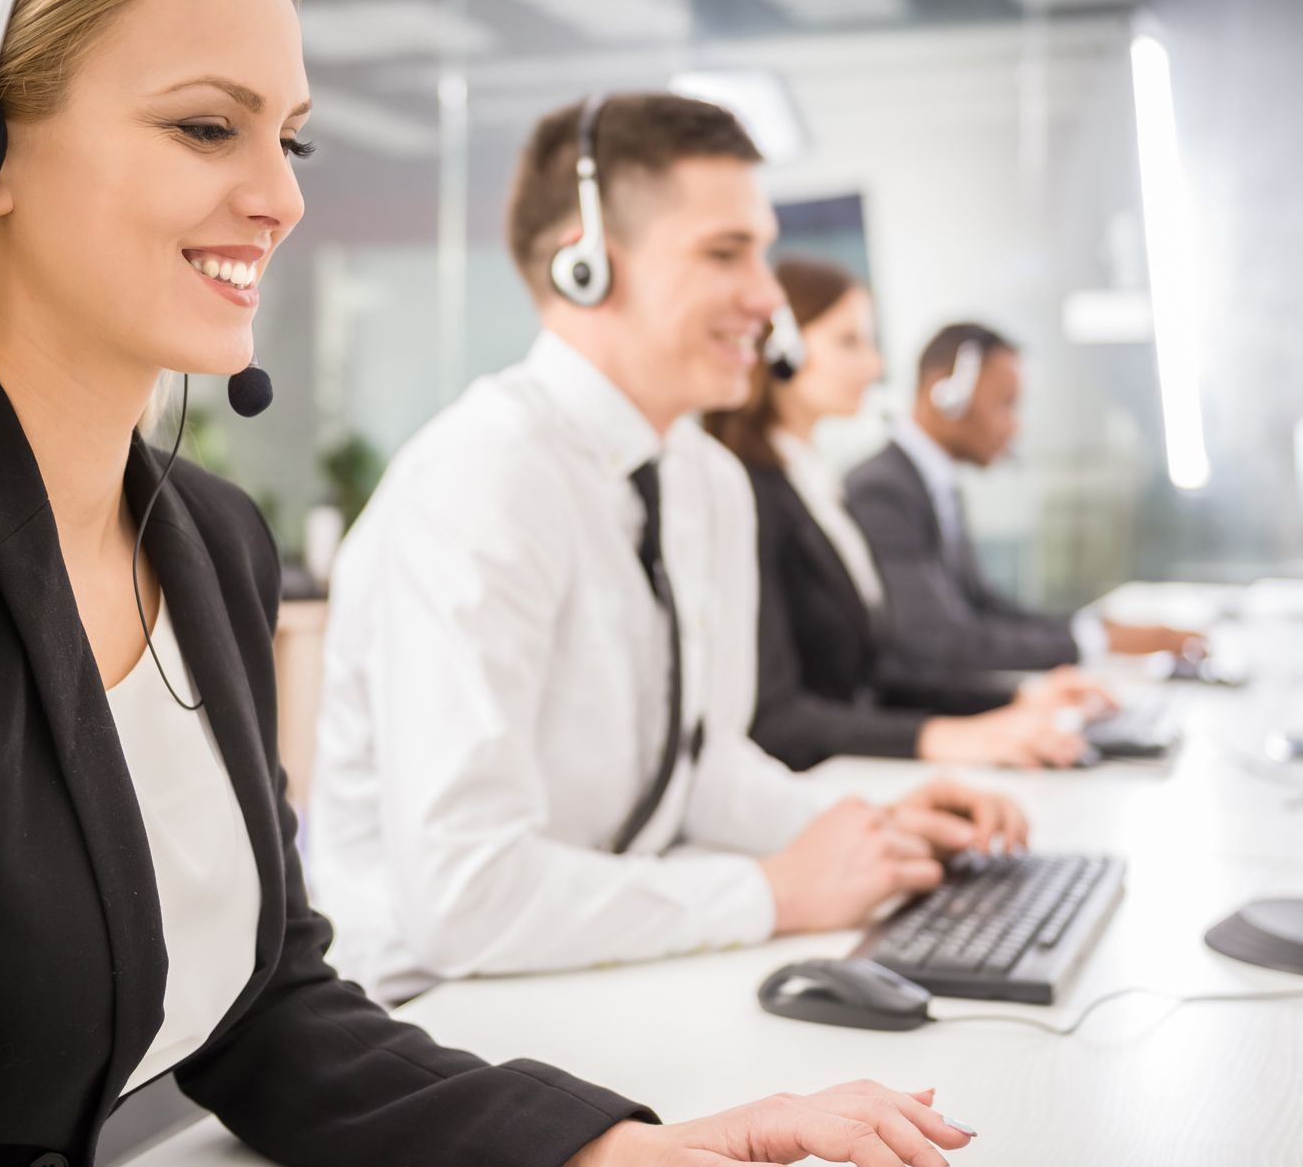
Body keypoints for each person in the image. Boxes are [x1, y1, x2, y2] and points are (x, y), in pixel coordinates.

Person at [0, 0, 978, 1165]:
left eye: (291, 134)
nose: (280, 195)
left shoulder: (203, 539)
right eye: (209, 124)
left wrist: (609, 1142)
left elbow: (267, 1009)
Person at [308, 91, 1028, 1014]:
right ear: (585, 263)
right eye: (725, 253)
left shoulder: (702, 477)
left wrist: (871, 832)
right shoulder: (482, 482)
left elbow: (698, 768)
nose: (769, 299)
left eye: (761, 252)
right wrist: (772, 893)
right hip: (434, 1014)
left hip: (604, 967)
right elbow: (467, 900)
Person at [705, 259, 1106, 772]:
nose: (874, 367)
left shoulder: (815, 485)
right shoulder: (749, 493)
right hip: (807, 785)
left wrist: (1013, 699)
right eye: (849, 342)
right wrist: (945, 737)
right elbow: (777, 717)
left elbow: (877, 671)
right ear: (780, 347)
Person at [846, 322, 1200, 677]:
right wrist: (1097, 643)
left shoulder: (936, 484)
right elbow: (940, 641)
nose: (1015, 426)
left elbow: (985, 608)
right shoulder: (882, 491)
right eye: (1005, 404)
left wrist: (1095, 630)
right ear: (946, 393)